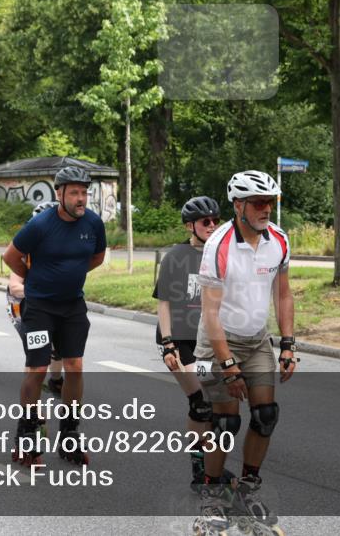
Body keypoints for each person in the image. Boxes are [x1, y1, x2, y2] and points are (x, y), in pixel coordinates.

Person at [192, 170, 297, 536]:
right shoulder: (218, 245)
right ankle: (212, 497)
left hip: (256, 341)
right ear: (239, 206)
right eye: (258, 203)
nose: (266, 209)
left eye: (271, 202)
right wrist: (227, 365)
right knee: (225, 422)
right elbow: (210, 313)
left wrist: (288, 343)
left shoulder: (279, 240)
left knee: (266, 415)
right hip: (216, 342)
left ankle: (248, 489)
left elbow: (282, 294)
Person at [2, 166, 107, 467]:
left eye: (84, 192)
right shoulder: (41, 224)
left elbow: (97, 256)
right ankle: (26, 438)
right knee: (37, 369)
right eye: (74, 192)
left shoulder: (93, 223)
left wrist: (70, 275)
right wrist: (33, 278)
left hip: (73, 306)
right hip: (39, 308)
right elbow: (10, 255)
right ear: (59, 193)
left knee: (74, 366)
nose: (80, 198)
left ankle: (69, 436)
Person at [153, 195, 222, 489]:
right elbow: (164, 303)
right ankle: (199, 467)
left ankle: (209, 464)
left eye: (215, 221)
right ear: (189, 226)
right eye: (205, 221)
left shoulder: (220, 255)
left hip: (207, 341)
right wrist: (168, 343)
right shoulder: (176, 257)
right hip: (179, 341)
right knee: (201, 403)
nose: (211, 225)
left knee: (214, 406)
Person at [7, 201, 64, 394]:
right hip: (23, 306)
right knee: (38, 354)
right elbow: (15, 287)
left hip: (52, 305)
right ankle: (31, 407)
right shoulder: (26, 251)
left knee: (60, 345)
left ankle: (56, 380)